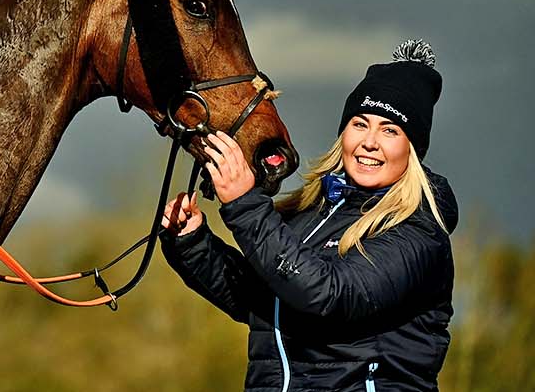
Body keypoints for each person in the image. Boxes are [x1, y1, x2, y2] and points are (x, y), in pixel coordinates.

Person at [160, 40, 458, 392]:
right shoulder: (308, 214)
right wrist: (192, 241)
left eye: (390, 130)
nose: (370, 142)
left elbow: (329, 295)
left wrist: (244, 203)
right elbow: (259, 301)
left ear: (412, 149)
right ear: (343, 134)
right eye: (360, 124)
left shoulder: (418, 232)